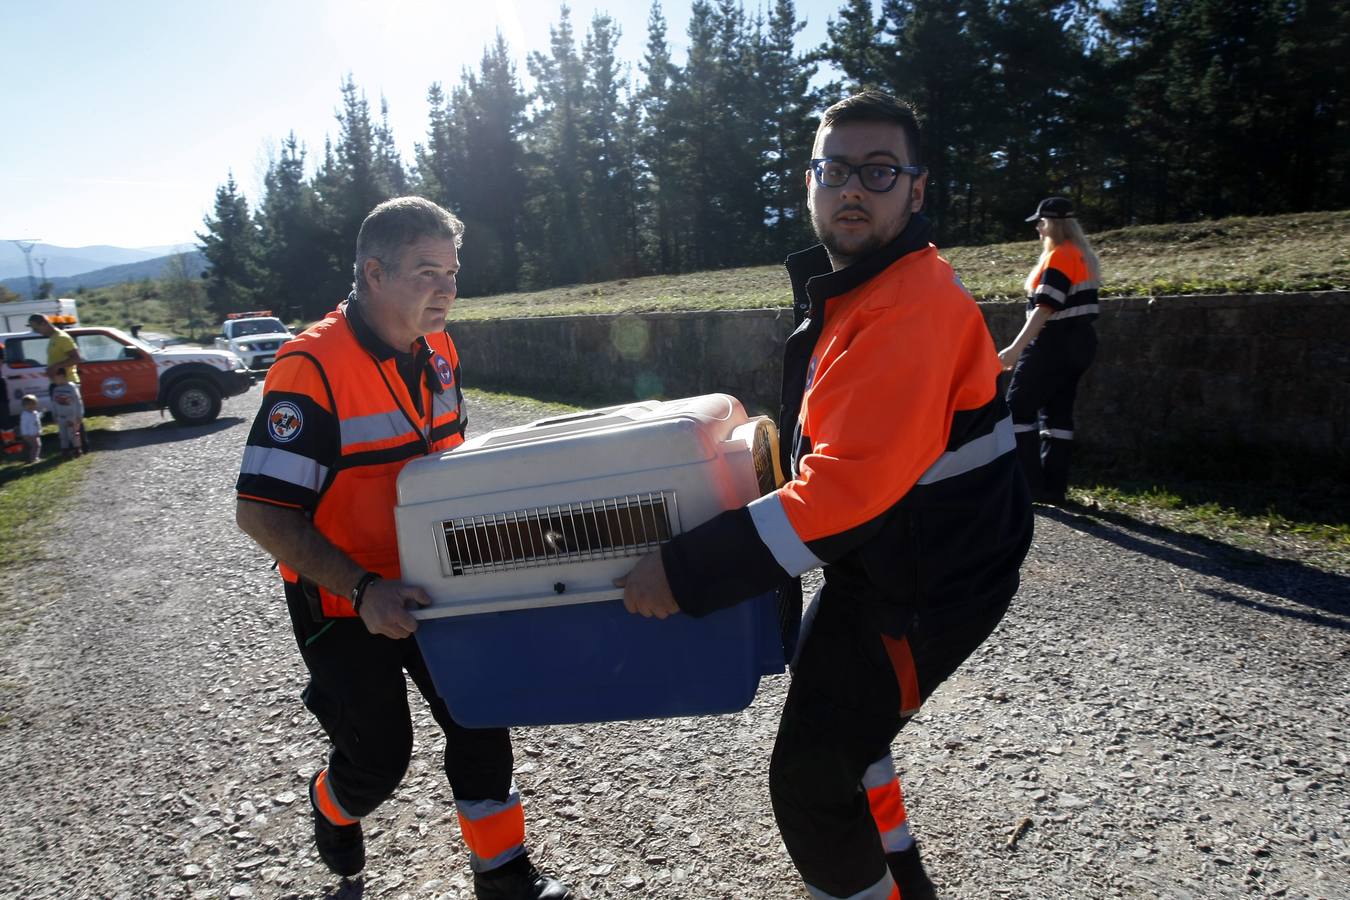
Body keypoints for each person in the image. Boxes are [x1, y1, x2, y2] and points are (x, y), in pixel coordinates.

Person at [618, 90, 1033, 900]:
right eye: (835, 168)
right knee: (843, 729)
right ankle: (902, 878)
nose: (853, 188)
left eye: (879, 172)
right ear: (810, 181)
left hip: (928, 589)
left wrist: (683, 570)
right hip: (887, 566)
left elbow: (843, 494)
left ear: (916, 190)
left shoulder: (908, 309)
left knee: (809, 786)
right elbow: (850, 451)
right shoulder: (870, 288)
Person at [234, 197, 574, 900]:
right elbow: (262, 512)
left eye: (452, 273)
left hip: (439, 576)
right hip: (341, 596)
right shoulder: (311, 367)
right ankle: (332, 802)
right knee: (380, 760)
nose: (446, 289)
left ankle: (504, 876)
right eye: (428, 272)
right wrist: (363, 590)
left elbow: (453, 466)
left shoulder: (439, 345)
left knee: (480, 714)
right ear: (375, 272)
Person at [997, 196, 1101, 504]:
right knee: (1058, 416)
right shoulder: (1083, 256)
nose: (1038, 230)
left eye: (1040, 223)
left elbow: (1044, 309)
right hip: (1081, 344)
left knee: (1016, 409)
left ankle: (1030, 485)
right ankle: (1054, 488)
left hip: (1052, 343)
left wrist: (1016, 349)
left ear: (1052, 224)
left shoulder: (1060, 257)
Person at [28, 314, 81, 386]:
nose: (35, 331)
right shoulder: (53, 337)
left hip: (67, 382)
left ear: (44, 324)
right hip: (57, 383)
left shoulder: (62, 337)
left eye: (36, 328)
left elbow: (76, 358)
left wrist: (56, 367)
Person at [50, 368, 84, 459]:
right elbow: (54, 403)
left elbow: (78, 402)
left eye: (55, 377)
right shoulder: (56, 390)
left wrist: (79, 415)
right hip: (61, 416)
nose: (53, 380)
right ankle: (65, 451)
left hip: (71, 416)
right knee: (62, 435)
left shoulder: (71, 388)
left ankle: (77, 449)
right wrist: (54, 414)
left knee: (73, 434)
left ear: (62, 376)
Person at [18, 394, 41, 464]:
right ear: (24, 406)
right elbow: (23, 425)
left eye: (33, 404)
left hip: (35, 433)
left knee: (38, 445)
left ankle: (35, 457)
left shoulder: (35, 413)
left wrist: (39, 430)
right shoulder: (25, 415)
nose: (31, 406)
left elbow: (37, 422)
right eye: (28, 405)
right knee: (35, 445)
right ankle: (32, 458)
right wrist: (25, 434)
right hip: (29, 434)